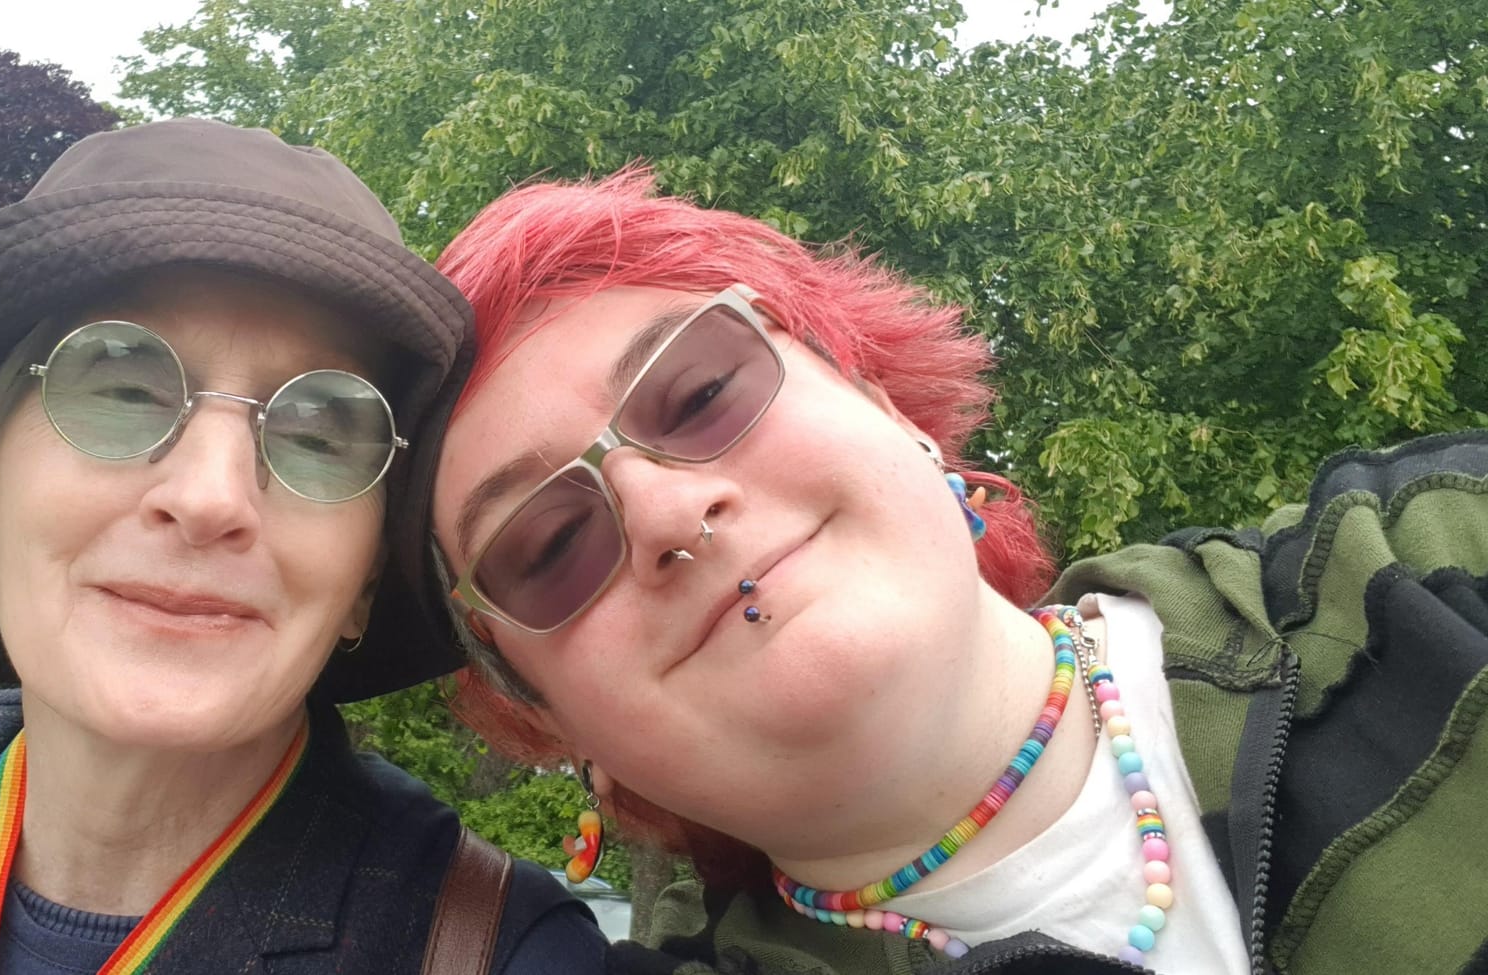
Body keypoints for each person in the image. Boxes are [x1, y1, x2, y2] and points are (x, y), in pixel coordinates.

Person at [416, 168, 1488, 974]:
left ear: (890, 412)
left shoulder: (1430, 553)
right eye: (546, 547)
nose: (665, 510)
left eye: (701, 394)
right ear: (551, 719)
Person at [0, 119, 605, 975]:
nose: (209, 497)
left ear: (366, 576)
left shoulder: (501, 953)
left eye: (321, 433)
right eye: (120, 390)